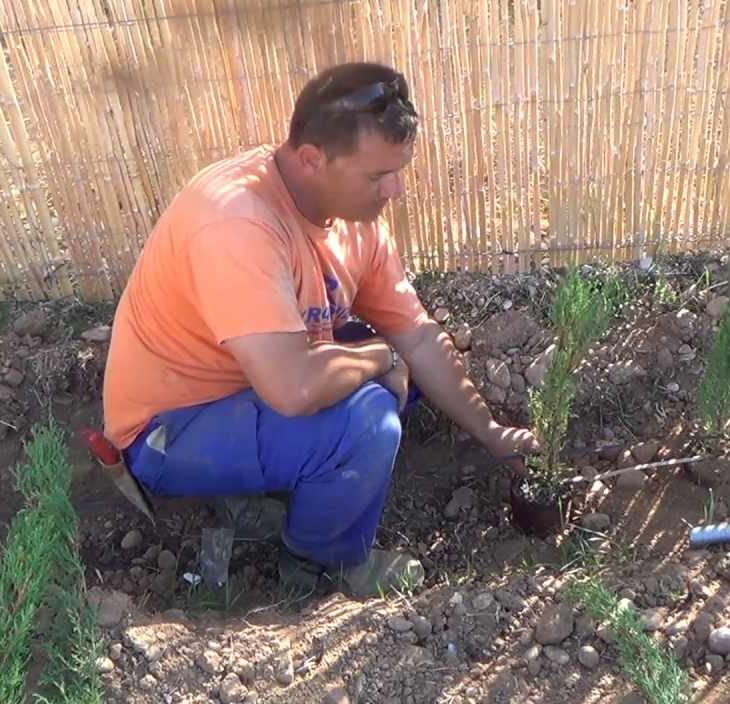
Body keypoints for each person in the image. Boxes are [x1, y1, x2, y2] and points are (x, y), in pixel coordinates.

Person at [101, 61, 536, 597]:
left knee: (412, 370)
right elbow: (295, 388)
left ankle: (291, 482)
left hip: (254, 381)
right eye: (377, 176)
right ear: (312, 159)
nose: (395, 190)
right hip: (171, 430)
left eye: (400, 170)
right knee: (369, 418)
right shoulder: (236, 223)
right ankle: (321, 563)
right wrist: (380, 360)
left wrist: (493, 433)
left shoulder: (351, 221)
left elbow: (417, 334)